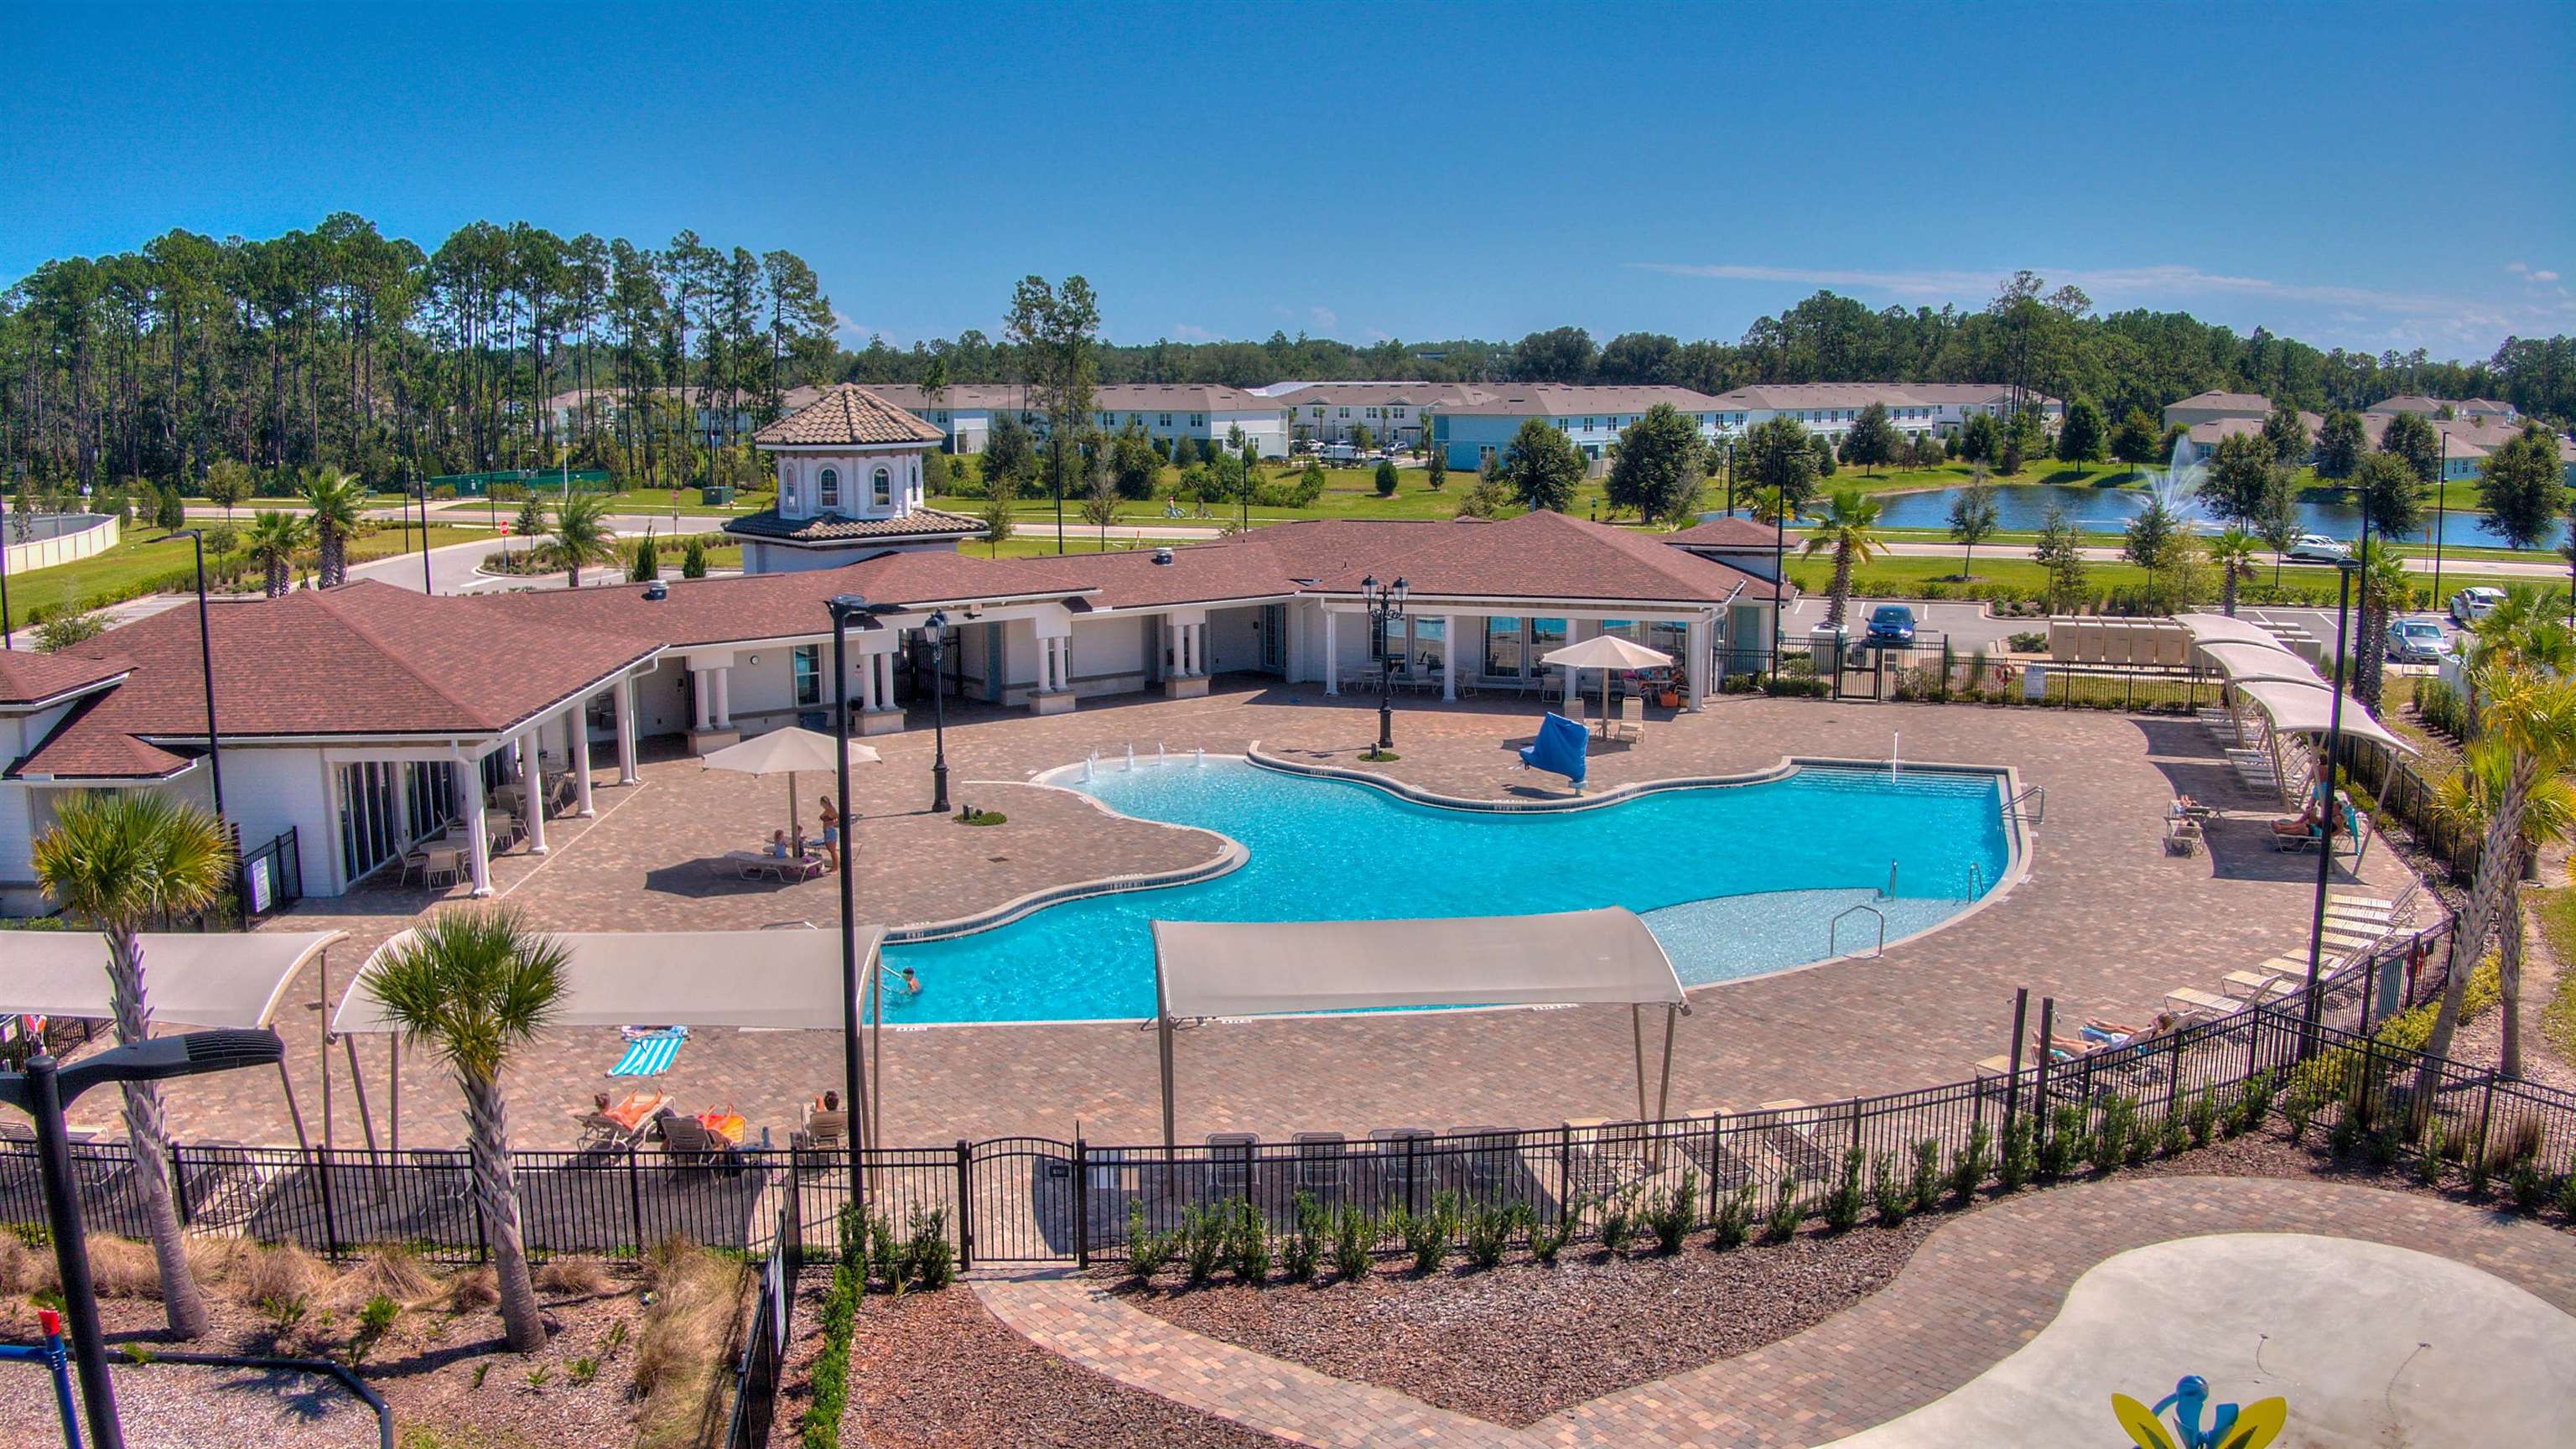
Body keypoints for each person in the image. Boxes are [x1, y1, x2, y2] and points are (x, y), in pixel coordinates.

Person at [817, 796, 842, 871]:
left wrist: (831, 824)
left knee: (833, 850)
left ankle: (836, 868)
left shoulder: (832, 810)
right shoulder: (826, 810)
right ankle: (834, 867)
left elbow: (839, 819)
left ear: (825, 803)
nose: (821, 805)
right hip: (827, 831)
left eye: (822, 803)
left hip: (831, 831)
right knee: (830, 850)